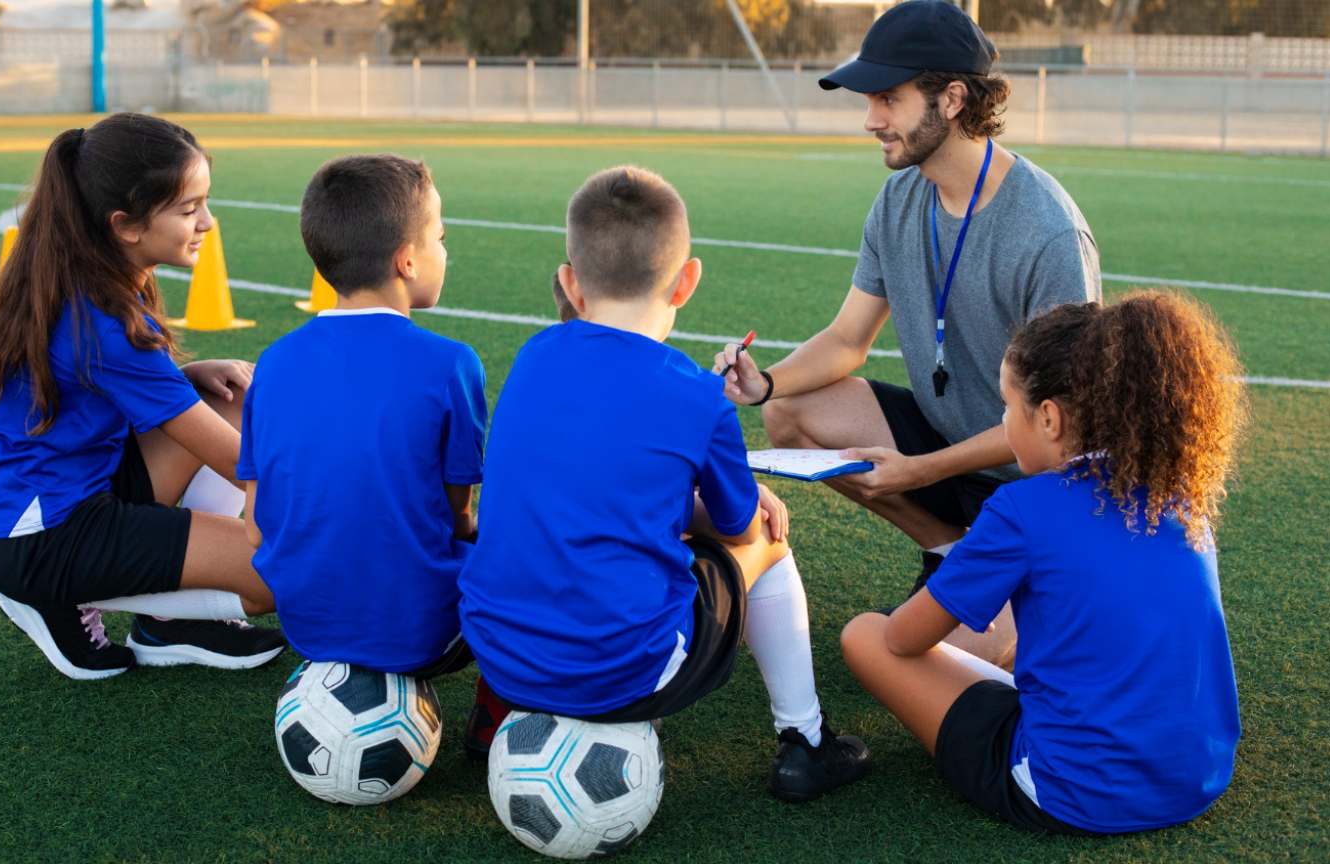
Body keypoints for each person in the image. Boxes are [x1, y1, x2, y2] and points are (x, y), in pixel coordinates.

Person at [460, 166, 871, 802]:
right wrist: (729, 503)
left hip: (496, 649)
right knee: (769, 536)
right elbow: (738, 529)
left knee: (557, 527)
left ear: (570, 283)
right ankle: (806, 742)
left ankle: (492, 715)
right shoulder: (697, 395)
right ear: (687, 281)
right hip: (620, 672)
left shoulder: (533, 356)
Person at [714, 0, 1101, 663]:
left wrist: (919, 469)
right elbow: (847, 340)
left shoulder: (1047, 233)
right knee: (790, 410)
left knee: (952, 660)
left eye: (888, 99)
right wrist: (765, 382)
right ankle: (948, 549)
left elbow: (1059, 429)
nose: (871, 120)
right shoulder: (899, 198)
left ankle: (1015, 591)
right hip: (949, 446)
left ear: (951, 100)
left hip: (1037, 482)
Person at [838, 292, 1246, 834]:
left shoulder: (1023, 508)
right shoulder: (1179, 495)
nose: (1004, 423)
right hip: (1198, 776)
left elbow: (902, 639)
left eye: (1007, 407)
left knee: (865, 634)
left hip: (1072, 792)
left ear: (1049, 418)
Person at [0, 113, 284, 681]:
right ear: (126, 225)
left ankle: (166, 624)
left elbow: (104, 385)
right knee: (278, 571)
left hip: (86, 482)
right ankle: (54, 597)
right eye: (189, 209)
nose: (208, 221)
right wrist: (351, 510)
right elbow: (241, 465)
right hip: (45, 540)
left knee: (234, 398)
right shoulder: (102, 320)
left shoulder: (92, 276)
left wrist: (186, 374)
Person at [239, 154, 504, 759]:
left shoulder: (274, 362)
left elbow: (255, 525)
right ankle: (500, 706)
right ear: (407, 260)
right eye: (440, 237)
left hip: (305, 623)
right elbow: (458, 516)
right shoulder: (451, 363)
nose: (445, 250)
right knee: (531, 545)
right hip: (425, 633)